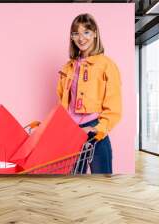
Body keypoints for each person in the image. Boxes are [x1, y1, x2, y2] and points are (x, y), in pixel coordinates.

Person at [56, 13, 122, 174]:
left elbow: (114, 105)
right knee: (73, 183)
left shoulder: (107, 65)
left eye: (86, 32)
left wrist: (98, 128)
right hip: (72, 131)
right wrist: (58, 127)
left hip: (95, 128)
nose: (81, 38)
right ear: (71, 37)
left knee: (103, 181)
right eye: (76, 33)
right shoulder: (68, 67)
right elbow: (63, 103)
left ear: (95, 34)